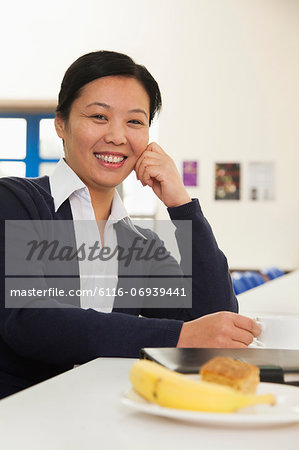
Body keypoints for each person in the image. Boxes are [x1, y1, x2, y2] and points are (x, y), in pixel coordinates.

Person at [0, 50, 260, 399]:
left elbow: (215, 321)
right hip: (18, 419)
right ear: (61, 123)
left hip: (105, 415)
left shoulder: (139, 244)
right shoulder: (18, 201)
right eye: (98, 116)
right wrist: (177, 336)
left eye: (135, 122)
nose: (117, 136)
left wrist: (182, 205)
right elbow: (30, 321)